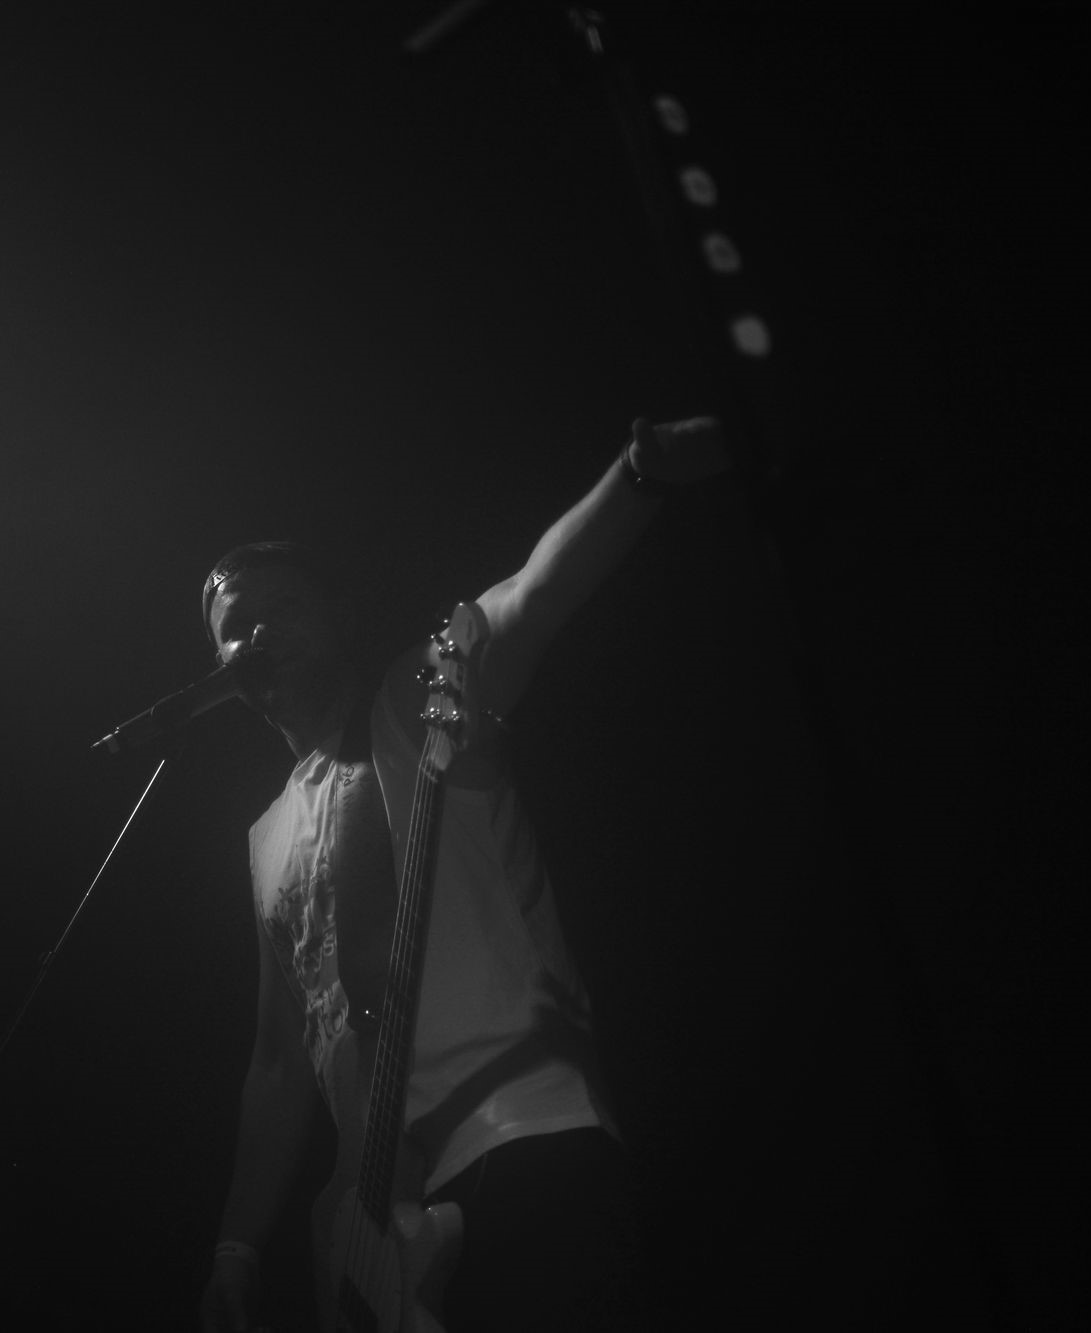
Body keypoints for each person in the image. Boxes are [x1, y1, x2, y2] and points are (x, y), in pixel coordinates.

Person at [197, 417, 729, 1333]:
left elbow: (531, 596)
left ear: (336, 614)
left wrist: (638, 474)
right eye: (234, 630)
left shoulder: (417, 700)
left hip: (521, 1134)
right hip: (376, 1218)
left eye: (276, 608)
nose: (256, 635)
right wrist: (236, 1247)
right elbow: (281, 1058)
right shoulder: (265, 837)